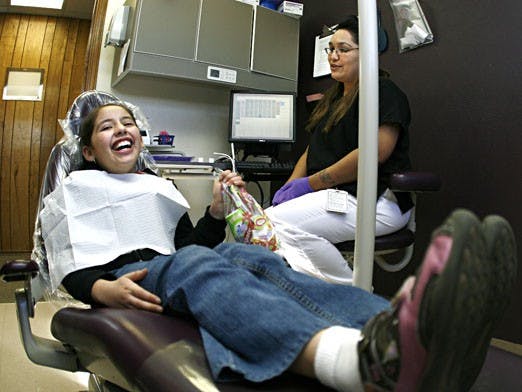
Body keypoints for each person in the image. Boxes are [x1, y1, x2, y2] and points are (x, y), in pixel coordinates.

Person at [41, 101, 518, 392]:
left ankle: (406, 329)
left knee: (255, 257)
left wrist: (212, 213)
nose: (123, 129)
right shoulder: (76, 193)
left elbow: (187, 243)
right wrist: (102, 290)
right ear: (87, 150)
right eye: (107, 126)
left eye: (129, 122)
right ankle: (355, 364)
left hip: (175, 266)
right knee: (199, 266)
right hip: (134, 281)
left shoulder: (158, 187)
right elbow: (71, 262)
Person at [265, 16, 413, 284]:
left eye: (343, 50)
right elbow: (313, 151)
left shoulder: (385, 92)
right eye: (330, 49)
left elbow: (375, 154)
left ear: (367, 53)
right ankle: (336, 297)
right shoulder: (332, 99)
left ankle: (351, 296)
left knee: (273, 226)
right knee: (267, 222)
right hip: (338, 196)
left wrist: (310, 184)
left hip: (376, 201)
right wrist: (289, 188)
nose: (333, 56)